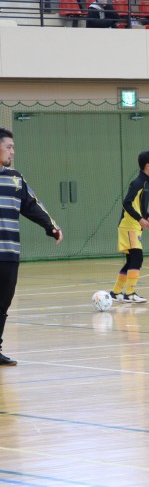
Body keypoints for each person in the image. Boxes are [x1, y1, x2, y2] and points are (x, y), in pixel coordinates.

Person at [0, 129, 62, 366]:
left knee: (2, 304)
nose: (12, 152)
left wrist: (51, 226)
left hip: (8, 253)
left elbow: (33, 205)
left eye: (13, 147)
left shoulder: (16, 179)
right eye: (9, 147)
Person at [110, 151, 149, 304]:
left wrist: (147, 216)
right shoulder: (138, 183)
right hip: (129, 226)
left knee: (131, 260)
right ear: (148, 166)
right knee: (137, 258)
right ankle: (130, 293)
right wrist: (139, 218)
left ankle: (116, 292)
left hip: (133, 226)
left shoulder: (146, 183)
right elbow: (127, 203)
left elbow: (140, 205)